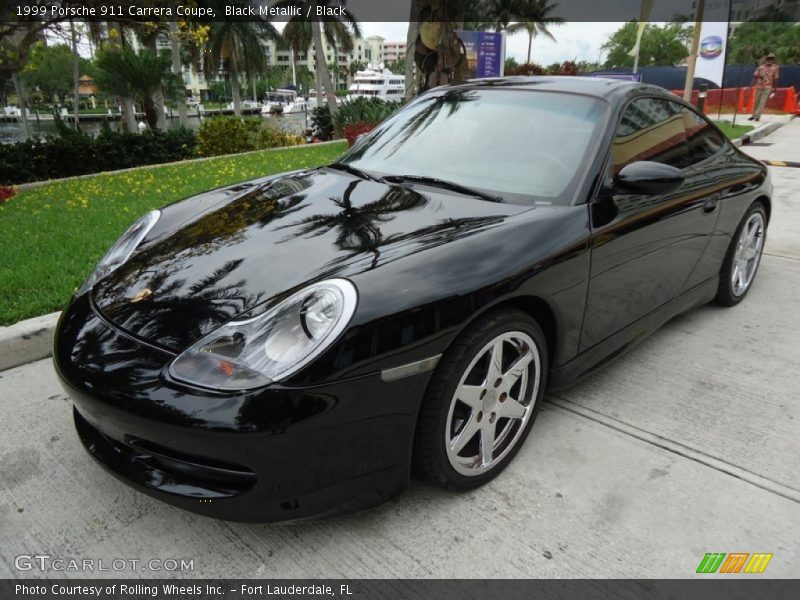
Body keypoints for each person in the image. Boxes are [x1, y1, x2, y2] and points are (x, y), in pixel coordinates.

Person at [749, 53, 780, 121]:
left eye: (772, 58)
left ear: (773, 60)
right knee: (756, 101)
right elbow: (755, 76)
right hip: (759, 86)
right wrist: (751, 86)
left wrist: (775, 89)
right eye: (769, 58)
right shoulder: (761, 67)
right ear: (766, 59)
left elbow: (776, 78)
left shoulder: (775, 67)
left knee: (762, 102)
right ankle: (754, 115)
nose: (770, 60)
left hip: (768, 87)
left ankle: (757, 116)